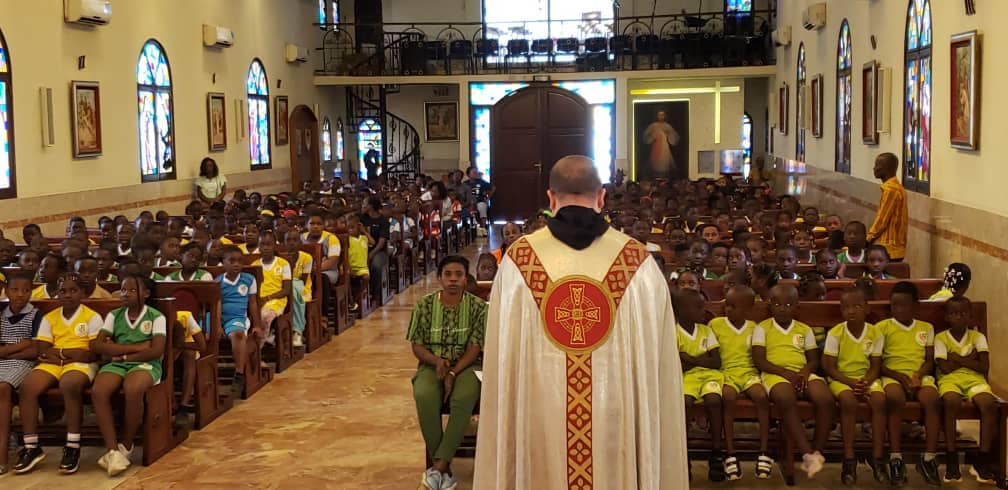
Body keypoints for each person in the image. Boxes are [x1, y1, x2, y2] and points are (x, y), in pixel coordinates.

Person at [475, 155, 687, 489]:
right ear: (602, 197)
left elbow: (503, 356)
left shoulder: (519, 262)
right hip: (616, 415)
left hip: (539, 413)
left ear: (550, 198)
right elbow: (657, 361)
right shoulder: (637, 262)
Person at [409, 256, 487, 490]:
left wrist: (453, 372)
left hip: (467, 365)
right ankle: (444, 470)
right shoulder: (424, 305)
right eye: (448, 275)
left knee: (463, 398)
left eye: (459, 275)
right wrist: (436, 361)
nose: (453, 279)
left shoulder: (477, 307)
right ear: (439, 278)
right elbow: (417, 346)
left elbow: (474, 348)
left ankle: (437, 469)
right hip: (432, 364)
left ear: (466, 278)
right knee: (424, 394)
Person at [14, 273, 103, 475]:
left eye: (73, 290)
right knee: (28, 387)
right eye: (63, 291)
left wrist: (60, 353)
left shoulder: (91, 316)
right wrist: (67, 355)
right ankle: (31, 446)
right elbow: (42, 350)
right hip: (55, 362)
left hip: (80, 365)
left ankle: (72, 445)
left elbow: (90, 353)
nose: (68, 295)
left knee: (69, 384)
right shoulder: (50, 317)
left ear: (82, 293)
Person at [90, 275, 166, 477]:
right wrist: (135, 347)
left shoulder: (156, 316)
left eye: (132, 290)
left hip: (145, 364)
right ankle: (113, 450)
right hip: (118, 364)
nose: (125, 294)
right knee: (99, 390)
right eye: (123, 290)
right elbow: (97, 345)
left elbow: (155, 351)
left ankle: (127, 443)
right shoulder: (115, 315)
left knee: (134, 388)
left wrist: (120, 354)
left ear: (146, 294)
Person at [751, 284, 829, 479]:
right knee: (785, 398)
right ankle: (806, 453)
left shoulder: (804, 329)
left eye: (788, 304)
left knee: (825, 398)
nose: (783, 308)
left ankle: (817, 452)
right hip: (775, 373)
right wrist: (786, 373)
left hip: (802, 372)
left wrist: (803, 373)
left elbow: (813, 359)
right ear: (770, 305)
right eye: (777, 304)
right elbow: (759, 360)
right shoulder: (763, 328)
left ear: (796, 306)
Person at [876, 281, 942, 485]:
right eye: (895, 305)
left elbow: (930, 360)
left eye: (904, 305)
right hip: (892, 375)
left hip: (919, 375)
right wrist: (900, 377)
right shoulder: (882, 328)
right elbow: (878, 363)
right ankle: (896, 457)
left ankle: (929, 457)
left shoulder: (926, 328)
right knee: (894, 399)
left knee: (932, 400)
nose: (899, 309)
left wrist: (918, 375)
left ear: (915, 306)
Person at [821, 289, 887, 486]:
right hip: (841, 378)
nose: (851, 311)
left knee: (879, 400)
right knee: (848, 401)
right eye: (846, 307)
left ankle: (877, 458)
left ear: (867, 308)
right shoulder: (836, 333)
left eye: (857, 306)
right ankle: (849, 459)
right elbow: (830, 368)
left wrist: (866, 382)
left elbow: (876, 366)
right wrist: (851, 383)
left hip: (867, 378)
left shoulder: (875, 332)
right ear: (841, 311)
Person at [935, 296, 999, 483]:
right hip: (949, 380)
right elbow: (944, 368)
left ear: (970, 317)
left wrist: (957, 358)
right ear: (947, 317)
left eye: (964, 314)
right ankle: (951, 458)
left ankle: (983, 459)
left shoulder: (978, 337)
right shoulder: (941, 338)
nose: (959, 317)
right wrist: (971, 359)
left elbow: (984, 367)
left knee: (988, 404)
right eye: (954, 314)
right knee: (950, 401)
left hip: (974, 380)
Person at [673, 289, 725, 481]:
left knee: (714, 400)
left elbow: (716, 362)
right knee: (684, 403)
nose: (704, 311)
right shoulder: (674, 332)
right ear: (682, 310)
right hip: (686, 377)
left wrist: (689, 358)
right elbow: (677, 364)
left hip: (710, 376)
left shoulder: (706, 330)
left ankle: (716, 452)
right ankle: (683, 454)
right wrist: (700, 359)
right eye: (699, 307)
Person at [0, 273, 40, 475]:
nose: (20, 295)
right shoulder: (1, 313)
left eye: (25, 290)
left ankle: (2, 455)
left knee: (3, 388)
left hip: (23, 363)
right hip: (5, 361)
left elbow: (34, 350)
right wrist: (22, 345)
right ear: (6, 291)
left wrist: (7, 350)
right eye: (14, 290)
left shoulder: (35, 315)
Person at [216, 245, 260, 397]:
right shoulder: (218, 281)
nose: (236, 264)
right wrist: (217, 325)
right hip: (220, 317)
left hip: (237, 317)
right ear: (223, 262)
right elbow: (217, 304)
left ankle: (239, 374)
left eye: (240, 261)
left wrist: (257, 324)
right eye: (232, 261)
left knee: (238, 334)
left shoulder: (249, 279)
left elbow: (253, 303)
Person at [252, 230, 291, 352]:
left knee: (264, 315)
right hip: (258, 300)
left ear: (275, 245)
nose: (265, 248)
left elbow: (286, 289)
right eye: (262, 244)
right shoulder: (255, 265)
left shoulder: (283, 264)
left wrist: (268, 298)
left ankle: (258, 349)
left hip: (276, 300)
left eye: (269, 244)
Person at [867, 153, 908, 262]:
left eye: (877, 165)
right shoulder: (897, 188)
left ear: (887, 168)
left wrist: (868, 238)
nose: (874, 168)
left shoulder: (891, 190)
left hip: (888, 248)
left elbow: (882, 220)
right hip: (894, 247)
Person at [282, 230, 313, 347]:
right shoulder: (280, 258)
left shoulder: (307, 257)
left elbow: (303, 280)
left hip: (302, 288)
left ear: (300, 242)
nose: (291, 243)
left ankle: (297, 331)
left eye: (295, 240)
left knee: (293, 288)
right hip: (282, 288)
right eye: (288, 240)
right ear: (284, 242)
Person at [642, 110, 680, 176]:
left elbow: (674, 136)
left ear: (665, 116)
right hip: (656, 147)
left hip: (665, 148)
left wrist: (668, 136)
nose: (661, 117)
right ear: (657, 116)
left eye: (662, 115)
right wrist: (653, 137)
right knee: (655, 164)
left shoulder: (667, 126)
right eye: (659, 115)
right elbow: (646, 136)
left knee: (664, 162)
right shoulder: (653, 126)